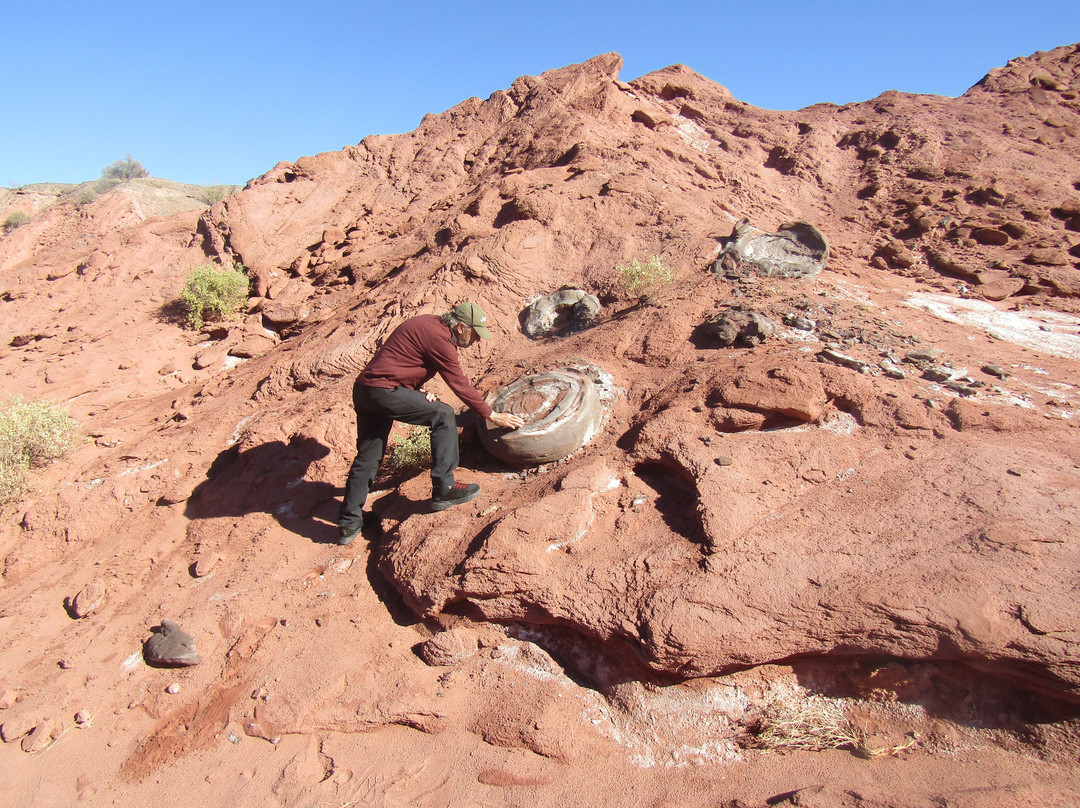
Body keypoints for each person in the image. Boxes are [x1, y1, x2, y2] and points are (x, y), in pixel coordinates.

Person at [338, 302, 525, 545]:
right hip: (384, 392)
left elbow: (398, 360)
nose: (477, 340)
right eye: (475, 334)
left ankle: (349, 522)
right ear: (461, 327)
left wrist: (414, 390)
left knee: (368, 455)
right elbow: (459, 384)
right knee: (443, 415)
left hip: (366, 390)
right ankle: (445, 488)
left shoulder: (428, 324)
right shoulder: (440, 339)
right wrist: (491, 415)